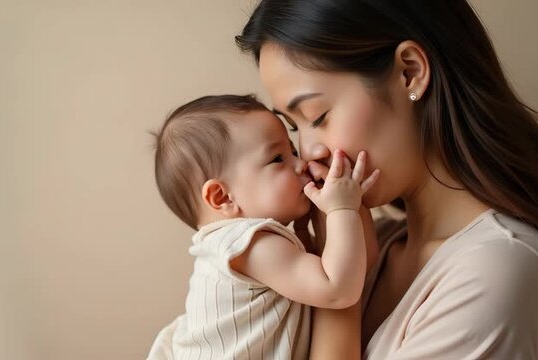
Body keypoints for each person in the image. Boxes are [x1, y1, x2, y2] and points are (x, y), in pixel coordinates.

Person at [235, 0, 538, 358]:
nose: (308, 151)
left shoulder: (496, 271)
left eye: (319, 115)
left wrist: (339, 289)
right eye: (294, 127)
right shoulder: (381, 245)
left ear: (410, 73)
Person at [146, 94, 380, 359]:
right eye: (278, 159)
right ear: (223, 197)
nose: (301, 163)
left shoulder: (228, 247)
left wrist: (303, 233)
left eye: (292, 151)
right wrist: (342, 209)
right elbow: (338, 290)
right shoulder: (250, 244)